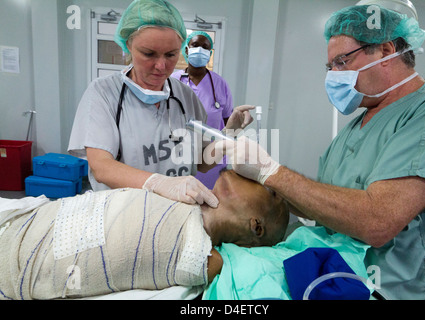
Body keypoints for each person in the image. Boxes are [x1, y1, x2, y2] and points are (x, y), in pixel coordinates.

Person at [216, 5, 425, 300]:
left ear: (386, 50)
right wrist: (258, 176)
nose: (334, 76)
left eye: (342, 62)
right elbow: (324, 205)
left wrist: (271, 172)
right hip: (339, 280)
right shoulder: (356, 127)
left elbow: (377, 222)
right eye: (331, 67)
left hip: (397, 291)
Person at [68, 0, 253, 208]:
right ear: (128, 45)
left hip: (177, 215)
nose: (161, 66)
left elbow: (201, 162)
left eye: (171, 54)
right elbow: (101, 167)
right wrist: (158, 183)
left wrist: (228, 136)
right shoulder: (104, 93)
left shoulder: (185, 97)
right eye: (149, 54)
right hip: (122, 216)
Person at [0, 170, 288, 300]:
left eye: (270, 191)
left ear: (256, 226)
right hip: (29, 221)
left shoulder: (203, 255)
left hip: (23, 263)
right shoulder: (180, 195)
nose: (258, 179)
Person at [171, 31, 234, 190]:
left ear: (210, 53)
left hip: (212, 158)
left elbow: (228, 122)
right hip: (177, 155)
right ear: (186, 50)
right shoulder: (172, 82)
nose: (199, 50)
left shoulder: (220, 84)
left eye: (205, 47)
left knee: (210, 202)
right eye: (195, 45)